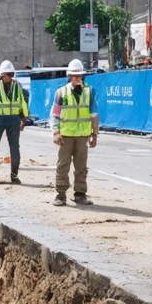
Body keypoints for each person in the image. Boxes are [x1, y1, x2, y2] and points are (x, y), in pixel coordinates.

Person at [51, 59, 99, 206]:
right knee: (63, 165)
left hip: (82, 136)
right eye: (75, 75)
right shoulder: (61, 92)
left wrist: (95, 134)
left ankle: (80, 194)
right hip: (65, 136)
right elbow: (55, 114)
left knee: (81, 166)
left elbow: (94, 114)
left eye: (80, 75)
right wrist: (56, 132)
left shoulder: (89, 92)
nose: (78, 78)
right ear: (70, 76)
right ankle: (60, 194)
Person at [0, 61, 28, 184]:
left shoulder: (17, 87)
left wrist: (23, 119)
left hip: (13, 120)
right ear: (2, 75)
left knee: (15, 148)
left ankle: (14, 175)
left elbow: (22, 103)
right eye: (7, 75)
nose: (10, 78)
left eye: (11, 75)